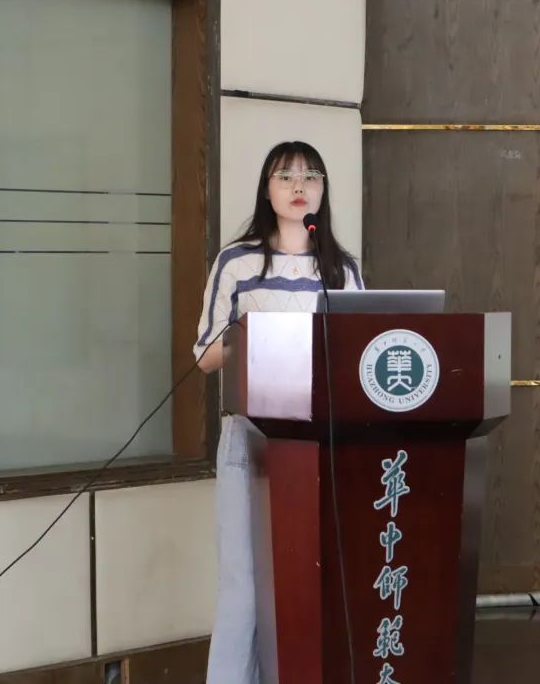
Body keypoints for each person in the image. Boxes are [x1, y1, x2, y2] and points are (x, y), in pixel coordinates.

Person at [193, 141, 363, 684]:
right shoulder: (236, 261)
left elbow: (358, 352)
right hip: (250, 438)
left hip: (320, 441)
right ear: (266, 190)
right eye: (285, 176)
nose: (298, 186)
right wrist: (254, 336)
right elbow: (204, 356)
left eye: (311, 176)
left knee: (309, 579)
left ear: (323, 191)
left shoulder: (342, 269)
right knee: (244, 586)